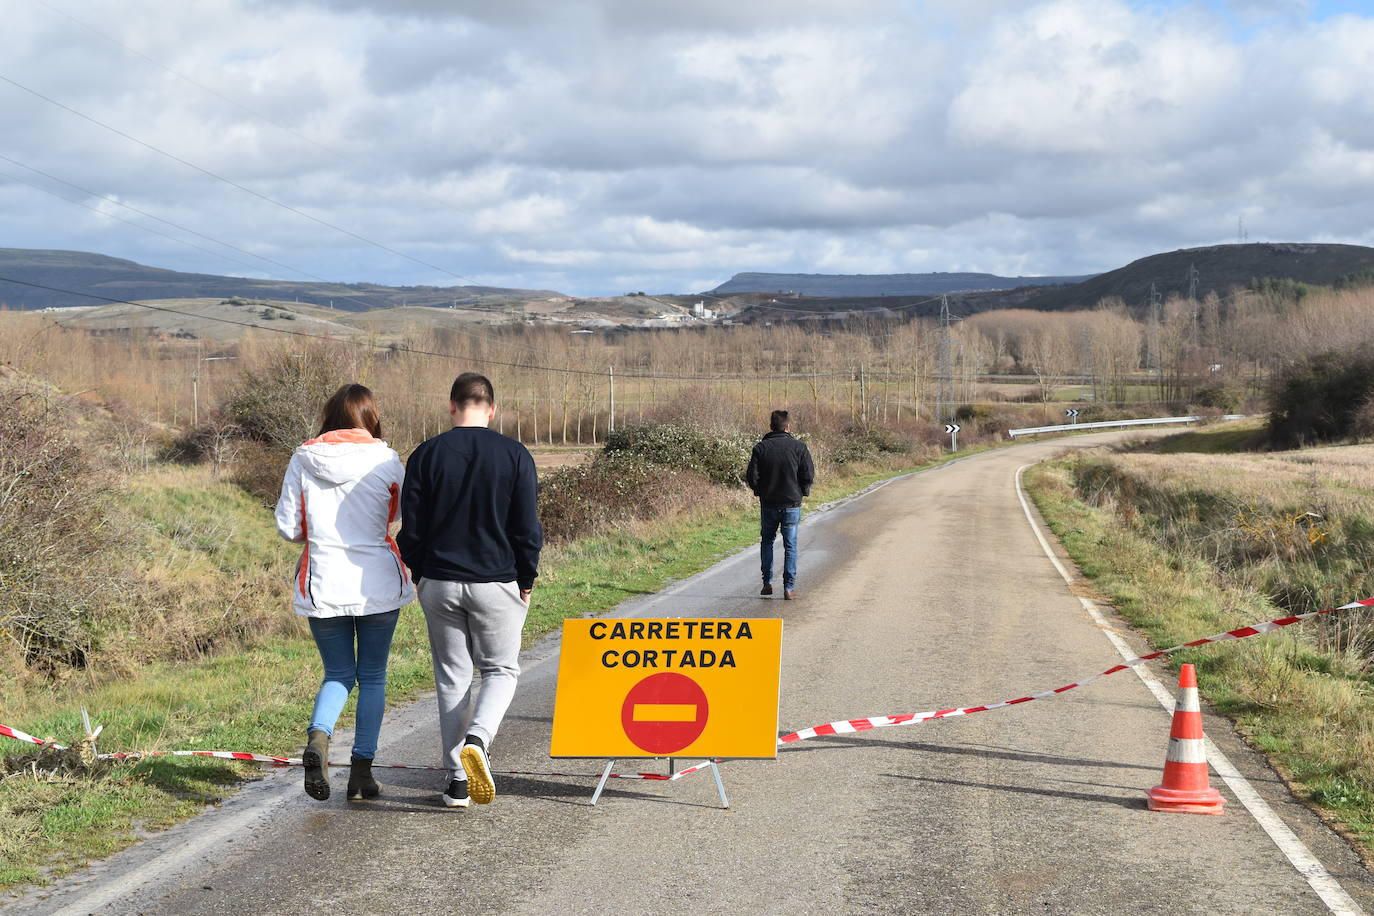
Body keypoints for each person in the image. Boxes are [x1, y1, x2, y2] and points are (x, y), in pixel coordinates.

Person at [398, 372, 542, 809]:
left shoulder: (425, 455)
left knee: (451, 678)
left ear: (452, 405)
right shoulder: (515, 455)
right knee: (500, 670)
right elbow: (526, 528)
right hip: (496, 580)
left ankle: (457, 782)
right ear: (492, 409)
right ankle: (478, 740)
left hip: (439, 583)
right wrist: (527, 579)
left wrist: (420, 572)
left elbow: (412, 528)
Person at [274, 383, 414, 802]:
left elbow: (288, 526)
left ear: (330, 417)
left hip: (323, 580)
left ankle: (319, 738)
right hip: (377, 582)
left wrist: (315, 531)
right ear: (371, 418)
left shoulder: (303, 458)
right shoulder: (387, 460)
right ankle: (361, 774)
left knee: (338, 673)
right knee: (372, 676)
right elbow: (401, 513)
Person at [745, 409, 815, 600]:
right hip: (792, 503)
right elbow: (808, 475)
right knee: (790, 545)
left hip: (768, 504)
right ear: (788, 426)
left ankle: (767, 583)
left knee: (767, 541)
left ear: (771, 426)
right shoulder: (799, 447)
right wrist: (803, 492)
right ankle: (789, 587)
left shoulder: (760, 448)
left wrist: (760, 492)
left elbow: (752, 477)